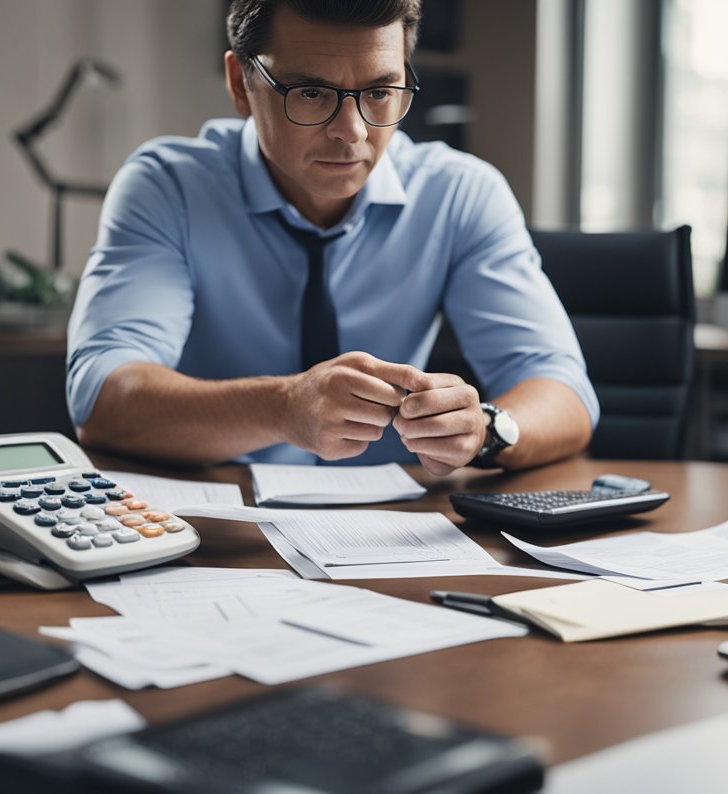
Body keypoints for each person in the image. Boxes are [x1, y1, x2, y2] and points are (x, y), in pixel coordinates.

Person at [67, 0, 598, 476]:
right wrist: (283, 407)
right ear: (240, 85)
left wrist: (483, 429)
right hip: (217, 527)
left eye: (380, 92)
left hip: (400, 532)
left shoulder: (460, 194)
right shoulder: (168, 189)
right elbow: (101, 395)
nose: (353, 131)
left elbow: (564, 392)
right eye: (312, 92)